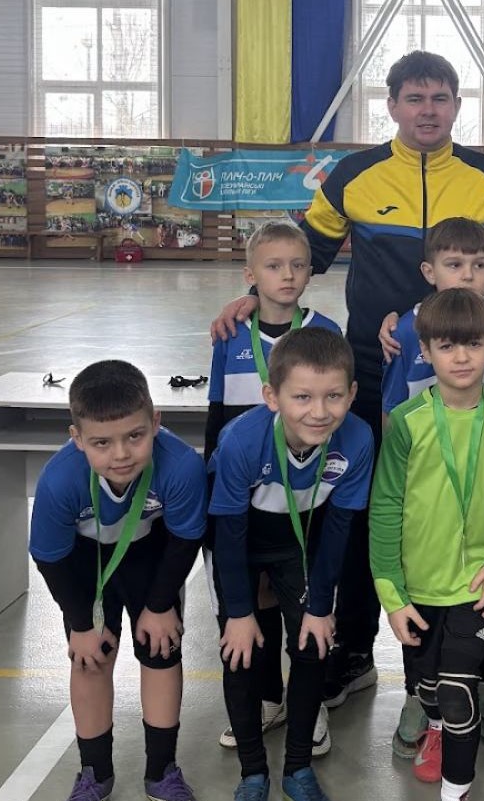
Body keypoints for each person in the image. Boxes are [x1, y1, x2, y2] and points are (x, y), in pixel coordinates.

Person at [211, 52, 484, 709]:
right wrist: (253, 295)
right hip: (374, 369)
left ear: (457, 106)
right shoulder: (354, 175)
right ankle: (355, 652)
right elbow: (304, 253)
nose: (428, 110)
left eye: (440, 98)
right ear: (392, 105)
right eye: (415, 98)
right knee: (371, 510)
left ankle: (473, 666)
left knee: (472, 504)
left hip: (466, 367)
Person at [371, 288, 484, 801]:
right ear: (426, 351)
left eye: (473, 344)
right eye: (446, 345)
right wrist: (391, 593)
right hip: (417, 586)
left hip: (474, 585)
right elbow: (386, 506)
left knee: (461, 694)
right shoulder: (408, 421)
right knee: (427, 686)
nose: (461, 357)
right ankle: (432, 723)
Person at [29, 361, 206, 801]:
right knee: (90, 659)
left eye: (135, 436)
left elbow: (186, 538)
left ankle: (162, 771)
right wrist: (79, 623)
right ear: (77, 438)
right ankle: (95, 774)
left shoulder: (182, 466)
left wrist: (161, 604)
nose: (121, 454)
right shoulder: (59, 481)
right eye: (102, 443)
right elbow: (49, 558)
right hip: (86, 565)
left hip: (151, 557)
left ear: (156, 422)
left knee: (161, 649)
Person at [209, 329, 373, 801]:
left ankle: (298, 768)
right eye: (302, 397)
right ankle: (252, 775)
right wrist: (239, 611)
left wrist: (320, 606)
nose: (319, 412)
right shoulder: (241, 441)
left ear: (351, 393)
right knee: (241, 654)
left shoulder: (358, 439)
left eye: (333, 396)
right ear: (272, 396)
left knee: (313, 643)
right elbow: (228, 532)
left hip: (300, 547)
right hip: (240, 545)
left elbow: (340, 528)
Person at [381, 218, 484, 753]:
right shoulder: (406, 330)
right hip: (429, 495)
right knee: (423, 612)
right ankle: (416, 695)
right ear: (430, 271)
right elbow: (392, 410)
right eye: (454, 264)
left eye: (479, 264)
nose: (467, 275)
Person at [205, 221, 341, 753]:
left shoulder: (325, 330)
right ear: (251, 274)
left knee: (307, 599)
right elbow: (218, 415)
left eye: (298, 265)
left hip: (307, 495)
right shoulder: (231, 333)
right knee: (254, 594)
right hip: (247, 492)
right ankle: (266, 697)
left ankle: (310, 701)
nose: (287, 275)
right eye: (273, 266)